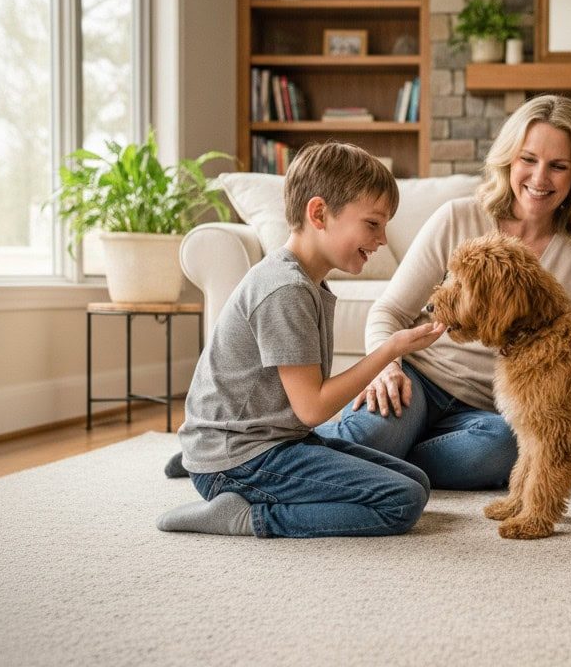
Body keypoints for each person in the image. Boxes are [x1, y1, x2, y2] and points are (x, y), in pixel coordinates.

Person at [321, 94, 571, 489]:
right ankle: (341, 459)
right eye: (528, 159)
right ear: (509, 158)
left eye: (558, 166)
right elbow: (388, 311)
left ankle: (384, 464)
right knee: (374, 432)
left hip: (493, 413)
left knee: (504, 451)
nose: (540, 179)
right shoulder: (459, 216)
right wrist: (385, 367)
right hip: (419, 379)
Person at [157, 142, 447, 537]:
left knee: (417, 482)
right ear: (319, 213)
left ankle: (204, 452)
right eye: (372, 223)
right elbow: (312, 408)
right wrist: (391, 349)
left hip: (273, 440)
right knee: (402, 501)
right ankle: (243, 512)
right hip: (246, 455)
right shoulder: (285, 290)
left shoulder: (307, 281)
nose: (381, 239)